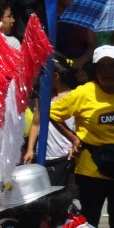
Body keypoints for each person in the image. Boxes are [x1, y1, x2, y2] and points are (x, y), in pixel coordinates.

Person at [50, 44, 114, 228]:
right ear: (94, 70)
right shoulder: (83, 92)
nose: (107, 71)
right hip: (92, 171)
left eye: (112, 66)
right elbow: (53, 114)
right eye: (102, 67)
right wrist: (73, 138)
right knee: (89, 222)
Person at [23, 56, 79, 186]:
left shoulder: (74, 97)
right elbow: (36, 124)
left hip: (65, 156)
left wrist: (75, 146)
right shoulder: (43, 98)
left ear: (55, 76)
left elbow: (78, 126)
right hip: (44, 155)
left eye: (43, 74)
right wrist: (30, 149)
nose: (40, 78)